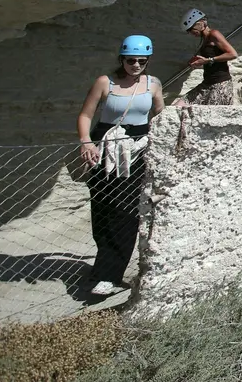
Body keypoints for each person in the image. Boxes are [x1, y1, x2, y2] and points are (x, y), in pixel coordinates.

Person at [75, 35, 165, 297]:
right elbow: (86, 114)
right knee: (101, 209)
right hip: (103, 148)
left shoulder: (153, 84)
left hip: (135, 151)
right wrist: (85, 143)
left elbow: (160, 116)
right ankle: (104, 265)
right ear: (121, 59)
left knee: (124, 213)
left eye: (141, 60)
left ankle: (109, 275)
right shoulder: (106, 82)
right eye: (131, 60)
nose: (136, 65)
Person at [177, 8, 238, 105]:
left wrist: (209, 60)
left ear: (200, 23)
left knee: (212, 116)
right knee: (179, 105)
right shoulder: (204, 39)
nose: (191, 33)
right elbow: (208, 59)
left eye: (191, 29)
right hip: (207, 83)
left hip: (220, 84)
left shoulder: (214, 34)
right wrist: (198, 61)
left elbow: (233, 54)